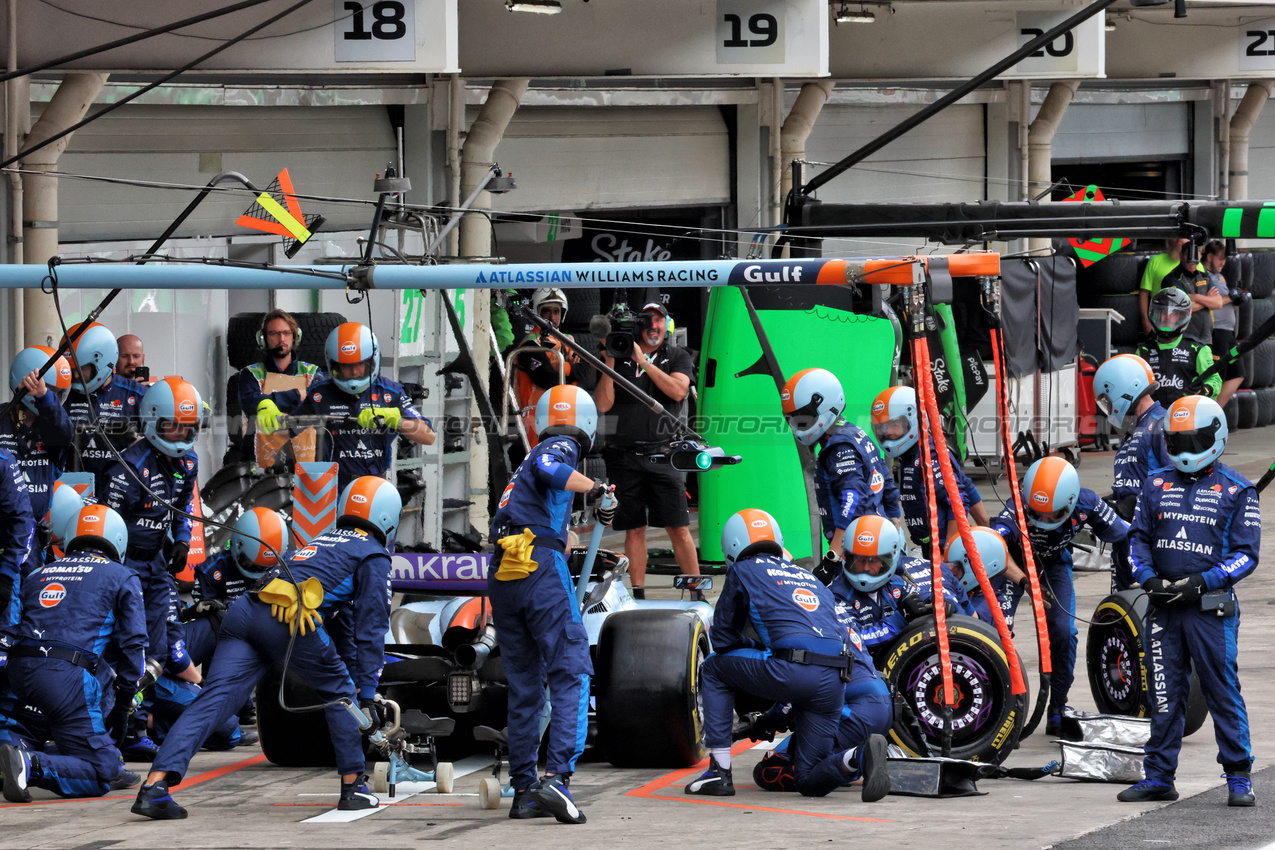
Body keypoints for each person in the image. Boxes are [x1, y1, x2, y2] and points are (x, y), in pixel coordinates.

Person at [132, 475, 402, 820]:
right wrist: (366, 693)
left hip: (245, 611)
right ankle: (353, 787)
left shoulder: (326, 540)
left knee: (213, 700)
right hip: (289, 616)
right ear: (387, 518)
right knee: (341, 695)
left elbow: (345, 622)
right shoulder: (373, 554)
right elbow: (371, 627)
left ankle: (155, 786)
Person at [686, 508, 889, 801]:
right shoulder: (813, 580)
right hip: (835, 680)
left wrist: (757, 649)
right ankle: (857, 757)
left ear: (731, 547)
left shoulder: (744, 570)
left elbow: (722, 639)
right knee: (806, 779)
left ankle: (719, 772)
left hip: (795, 671)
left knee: (714, 668)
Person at [1117, 395, 1257, 807]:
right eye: (1176, 441)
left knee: (1221, 690)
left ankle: (1238, 777)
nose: (1185, 450)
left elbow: (1247, 555)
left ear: (1215, 437)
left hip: (1210, 608)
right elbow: (1137, 540)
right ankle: (1159, 776)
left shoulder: (1237, 489)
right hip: (1162, 608)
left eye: (1194, 440)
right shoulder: (1154, 483)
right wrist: (1146, 578)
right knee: (1163, 693)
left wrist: (1202, 581)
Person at [488, 385, 614, 824]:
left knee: (525, 687)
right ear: (588, 424)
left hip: (505, 567)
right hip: (538, 565)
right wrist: (597, 488)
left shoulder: (518, 466)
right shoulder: (559, 446)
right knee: (572, 670)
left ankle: (524, 791)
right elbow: (551, 467)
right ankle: (558, 779)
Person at [0, 504, 146, 802]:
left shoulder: (38, 573)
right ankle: (32, 766)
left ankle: (15, 754)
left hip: (17, 671)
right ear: (119, 540)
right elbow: (134, 646)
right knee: (103, 770)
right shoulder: (123, 575)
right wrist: (124, 704)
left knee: (24, 728)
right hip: (65, 677)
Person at [991, 456, 1130, 735]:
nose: (1042, 521)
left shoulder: (1088, 503)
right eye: (1036, 513)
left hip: (1054, 563)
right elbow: (993, 547)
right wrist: (1022, 580)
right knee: (995, 631)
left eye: (1051, 515)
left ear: (1070, 503)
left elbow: (1129, 535)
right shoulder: (1015, 506)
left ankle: (1057, 707)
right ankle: (996, 711)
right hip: (1011, 565)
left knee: (1064, 631)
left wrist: (1127, 587)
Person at [102, 378, 204, 759]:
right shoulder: (126, 467)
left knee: (157, 649)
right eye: (172, 426)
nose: (180, 435)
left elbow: (182, 511)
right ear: (152, 420)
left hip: (157, 566)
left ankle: (140, 723)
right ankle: (118, 725)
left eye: (187, 428)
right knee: (126, 645)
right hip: (124, 565)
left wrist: (180, 540)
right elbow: (109, 528)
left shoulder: (189, 462)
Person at [595, 302, 700, 597]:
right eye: (648, 321)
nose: (654, 326)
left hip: (665, 455)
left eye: (660, 321)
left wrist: (644, 361)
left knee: (678, 527)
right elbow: (602, 405)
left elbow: (678, 391)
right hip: (624, 455)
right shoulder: (617, 353)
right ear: (640, 325)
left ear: (666, 325)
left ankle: (697, 591)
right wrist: (611, 360)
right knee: (634, 528)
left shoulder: (677, 355)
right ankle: (638, 593)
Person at [782, 368, 900, 584]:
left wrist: (832, 558)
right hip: (878, 543)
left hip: (860, 552)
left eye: (802, 419)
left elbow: (852, 501)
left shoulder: (838, 447)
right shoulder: (855, 432)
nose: (796, 428)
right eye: (791, 419)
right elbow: (887, 480)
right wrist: (894, 528)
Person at [292, 322, 434, 494]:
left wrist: (395, 420)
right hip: (331, 488)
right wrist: (269, 410)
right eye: (346, 365)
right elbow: (288, 430)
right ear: (334, 365)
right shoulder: (319, 394)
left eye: (360, 364)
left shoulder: (391, 392)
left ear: (372, 361)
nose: (354, 372)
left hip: (374, 486)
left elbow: (428, 436)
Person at [829, 515, 971, 664]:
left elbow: (919, 598)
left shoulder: (897, 583)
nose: (865, 568)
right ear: (847, 557)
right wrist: (899, 619)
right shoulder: (837, 595)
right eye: (859, 560)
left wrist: (942, 601)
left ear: (890, 559)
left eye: (873, 561)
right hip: (860, 668)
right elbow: (854, 641)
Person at [871, 385, 988, 558]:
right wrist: (986, 527)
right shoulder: (909, 455)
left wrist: (947, 552)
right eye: (882, 427)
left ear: (913, 419)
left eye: (893, 425)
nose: (887, 432)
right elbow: (965, 484)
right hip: (928, 548)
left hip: (941, 551)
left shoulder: (929, 456)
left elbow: (958, 501)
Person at [1093, 353, 1168, 591]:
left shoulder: (1161, 424)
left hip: (1152, 539)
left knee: (1145, 611)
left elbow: (1178, 484)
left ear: (1123, 387)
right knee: (1121, 612)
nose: (1108, 406)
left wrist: (1134, 503)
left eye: (1106, 399)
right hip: (1126, 537)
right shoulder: (1133, 431)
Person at [182, 507, 289, 668]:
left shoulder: (288, 564)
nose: (256, 571)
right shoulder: (211, 572)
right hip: (226, 643)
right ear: (237, 544)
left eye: (263, 567)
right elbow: (205, 626)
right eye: (251, 564)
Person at [2, 346, 74, 572]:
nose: (54, 398)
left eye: (56, 394)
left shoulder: (55, 429)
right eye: (49, 390)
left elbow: (64, 433)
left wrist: (45, 399)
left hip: (32, 537)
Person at [60, 322, 147, 499]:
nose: (76, 375)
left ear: (101, 361)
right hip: (73, 493)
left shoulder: (139, 395)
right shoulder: (62, 395)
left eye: (82, 368)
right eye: (72, 369)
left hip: (124, 493)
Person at [237, 309, 323, 463]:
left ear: (295, 337)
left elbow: (317, 405)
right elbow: (250, 403)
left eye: (286, 333)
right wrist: (297, 395)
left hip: (307, 464)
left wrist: (268, 400)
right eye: (274, 333)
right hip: (259, 464)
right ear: (263, 339)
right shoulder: (250, 374)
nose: (281, 339)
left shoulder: (313, 372)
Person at [513, 288, 588, 449]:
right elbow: (547, 378)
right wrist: (570, 368)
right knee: (539, 465)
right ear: (537, 312)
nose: (552, 317)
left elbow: (585, 372)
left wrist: (561, 367)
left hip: (567, 415)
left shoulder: (569, 341)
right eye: (546, 311)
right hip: (535, 418)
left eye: (556, 311)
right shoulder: (530, 344)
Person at [1135, 288, 1220, 407]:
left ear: (1181, 316)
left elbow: (1214, 380)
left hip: (1186, 416)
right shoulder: (1143, 351)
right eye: (1162, 312)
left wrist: (1204, 391)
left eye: (1173, 314)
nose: (1167, 318)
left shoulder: (1197, 349)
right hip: (1152, 417)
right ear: (1154, 314)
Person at [1199, 240, 1247, 407]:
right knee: (1218, 375)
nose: (1223, 263)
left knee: (1238, 373)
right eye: (1220, 259)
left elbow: (1226, 301)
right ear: (1210, 257)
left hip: (1228, 332)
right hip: (1216, 332)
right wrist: (1230, 297)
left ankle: (1215, 409)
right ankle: (1208, 410)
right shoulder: (1202, 275)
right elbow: (1212, 301)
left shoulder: (1219, 276)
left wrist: (1236, 300)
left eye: (1225, 260)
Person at [1138, 238, 1189, 337]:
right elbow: (1144, 293)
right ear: (1169, 240)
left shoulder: (1195, 265)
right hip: (1160, 319)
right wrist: (1145, 320)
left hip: (1187, 321)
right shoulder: (1155, 261)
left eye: (1182, 239)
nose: (1178, 242)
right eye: (1176, 238)